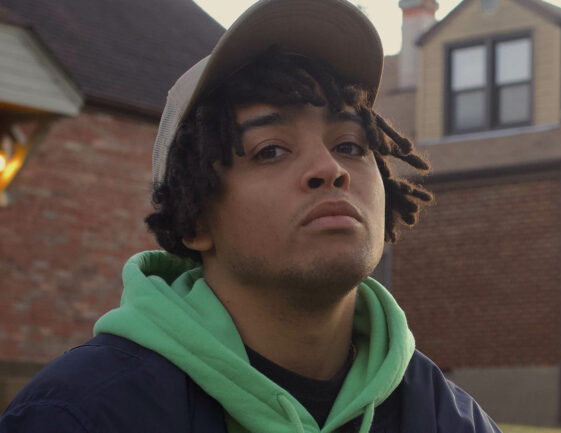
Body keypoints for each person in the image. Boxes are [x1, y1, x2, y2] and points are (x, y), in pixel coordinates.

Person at [0, 0, 501, 432]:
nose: (329, 169)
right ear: (196, 219)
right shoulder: (78, 416)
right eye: (270, 151)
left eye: (349, 144)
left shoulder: (450, 420)